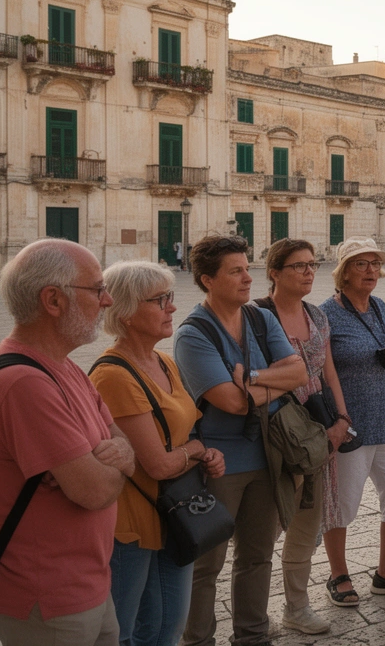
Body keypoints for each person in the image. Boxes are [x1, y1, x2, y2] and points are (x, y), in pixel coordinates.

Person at [0, 238, 135, 645]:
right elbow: (94, 491)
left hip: (86, 584)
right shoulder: (23, 383)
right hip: (47, 599)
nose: (108, 300)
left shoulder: (63, 366)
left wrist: (115, 456)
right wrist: (120, 465)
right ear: (53, 300)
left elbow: (118, 437)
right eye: (96, 289)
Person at [173, 235, 308, 646]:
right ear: (207, 280)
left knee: (257, 556)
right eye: (236, 271)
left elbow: (299, 373)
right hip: (217, 465)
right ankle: (197, 640)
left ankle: (252, 635)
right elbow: (230, 402)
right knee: (205, 564)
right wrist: (270, 385)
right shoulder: (193, 335)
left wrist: (251, 378)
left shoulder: (258, 319)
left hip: (267, 456)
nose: (249, 278)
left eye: (248, 268)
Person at [90, 261, 226, 646]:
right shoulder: (113, 375)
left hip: (174, 515)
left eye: (170, 297)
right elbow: (159, 464)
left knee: (167, 627)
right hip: (133, 524)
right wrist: (197, 450)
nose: (172, 307)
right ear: (127, 311)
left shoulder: (164, 361)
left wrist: (205, 453)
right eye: (160, 300)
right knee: (124, 633)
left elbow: (188, 428)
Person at [257, 239, 354, 635]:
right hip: (277, 433)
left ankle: (296, 607)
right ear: (274, 272)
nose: (308, 271)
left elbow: (328, 372)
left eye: (312, 264)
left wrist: (342, 419)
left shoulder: (317, 315)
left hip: (317, 433)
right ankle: (254, 614)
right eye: (298, 266)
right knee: (263, 529)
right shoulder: (256, 316)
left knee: (305, 523)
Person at [320, 238, 385, 605]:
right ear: (343, 272)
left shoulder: (380, 307)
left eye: (374, 264)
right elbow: (320, 372)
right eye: (360, 264)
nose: (370, 271)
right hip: (350, 427)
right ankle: (338, 574)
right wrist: (336, 420)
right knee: (342, 505)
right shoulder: (325, 316)